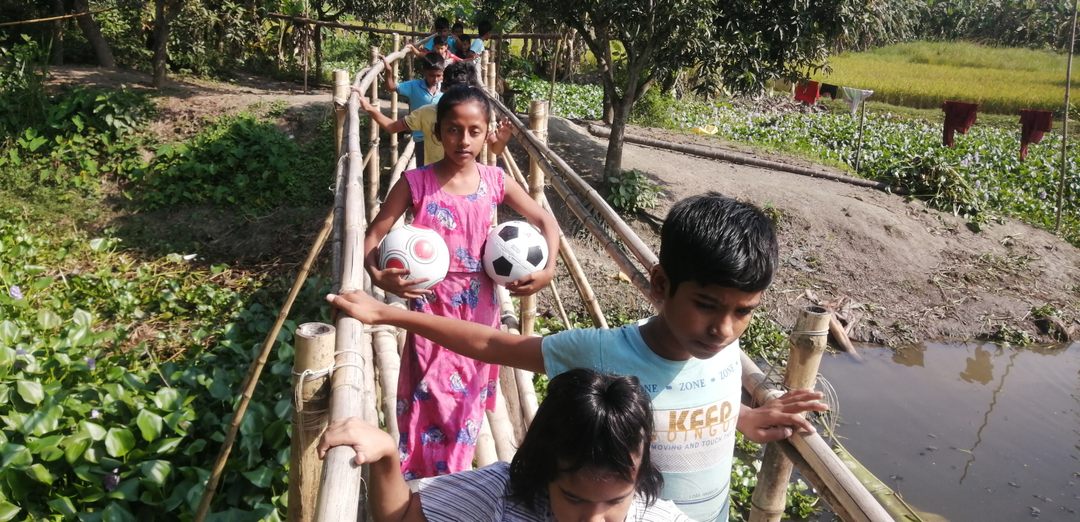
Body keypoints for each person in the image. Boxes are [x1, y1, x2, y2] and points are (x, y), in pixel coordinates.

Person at [327, 192, 828, 521]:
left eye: (743, 312)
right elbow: (492, 344)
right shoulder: (601, 354)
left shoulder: (723, 350)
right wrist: (391, 315)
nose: (723, 328)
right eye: (707, 305)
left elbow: (687, 400)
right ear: (660, 285)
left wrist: (742, 417)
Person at [362, 83, 560, 480]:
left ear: (487, 134)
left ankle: (449, 479)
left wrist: (549, 267)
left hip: (480, 310)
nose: (463, 140)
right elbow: (374, 234)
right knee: (430, 391)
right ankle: (422, 478)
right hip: (429, 307)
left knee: (464, 399)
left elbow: (545, 220)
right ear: (437, 132)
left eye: (474, 131)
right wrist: (376, 271)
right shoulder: (415, 183)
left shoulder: (495, 181)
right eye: (453, 130)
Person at [319, 368, 690, 521]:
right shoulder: (502, 498)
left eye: (615, 501)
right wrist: (386, 456)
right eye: (574, 499)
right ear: (545, 470)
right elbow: (402, 518)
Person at [360, 61, 511, 166]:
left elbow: (495, 147)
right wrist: (370, 108)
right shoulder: (428, 112)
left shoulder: (428, 112)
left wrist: (502, 140)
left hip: (455, 181)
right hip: (440, 182)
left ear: (443, 87)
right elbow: (392, 127)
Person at [381, 52, 443, 166]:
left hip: (440, 140)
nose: (435, 79)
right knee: (423, 172)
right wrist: (389, 71)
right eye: (431, 75)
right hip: (421, 139)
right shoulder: (413, 86)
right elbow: (391, 87)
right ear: (424, 72)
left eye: (438, 75)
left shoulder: (445, 88)